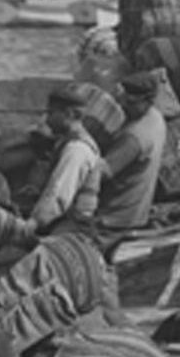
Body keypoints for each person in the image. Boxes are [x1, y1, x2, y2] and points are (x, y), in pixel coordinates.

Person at [95, 70, 170, 253]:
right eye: (124, 99)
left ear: (148, 101)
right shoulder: (156, 117)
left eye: (131, 103)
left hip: (115, 218)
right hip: (135, 212)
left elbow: (101, 173)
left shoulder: (134, 136)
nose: (123, 105)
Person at [27, 84, 107, 236]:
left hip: (74, 226)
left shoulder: (77, 149)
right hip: (64, 219)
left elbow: (58, 196)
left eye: (51, 113)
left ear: (69, 114)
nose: (47, 120)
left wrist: (32, 224)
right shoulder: (67, 140)